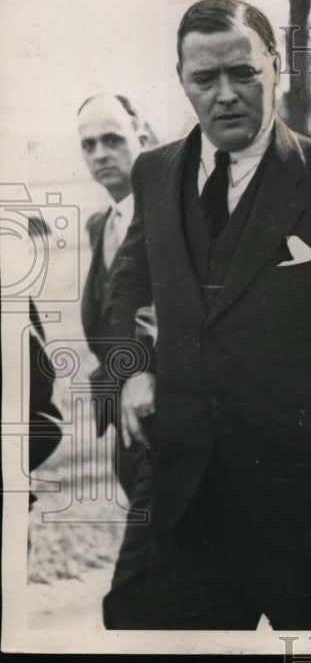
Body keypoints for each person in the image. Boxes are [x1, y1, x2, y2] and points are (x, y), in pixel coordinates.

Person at [105, 0, 311, 629]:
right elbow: (125, 291)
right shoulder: (155, 175)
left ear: (277, 68)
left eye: (243, 74)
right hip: (189, 503)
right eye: (204, 78)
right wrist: (132, 370)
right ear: (181, 81)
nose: (226, 95)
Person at [76, 93, 157, 628]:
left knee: (131, 599)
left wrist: (138, 367)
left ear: (143, 139)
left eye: (113, 139)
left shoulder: (174, 209)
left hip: (167, 420)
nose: (101, 153)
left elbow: (166, 304)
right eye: (89, 144)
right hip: (126, 434)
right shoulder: (100, 225)